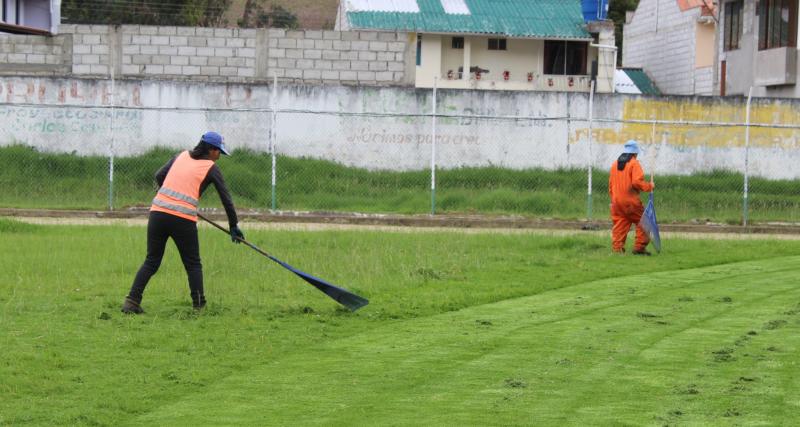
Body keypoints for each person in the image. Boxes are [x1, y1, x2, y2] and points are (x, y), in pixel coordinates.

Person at [121, 131, 244, 314]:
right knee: (193, 264)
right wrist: (233, 226)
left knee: (152, 260)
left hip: (158, 213)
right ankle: (199, 306)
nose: (219, 156)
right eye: (219, 152)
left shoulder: (181, 155)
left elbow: (159, 176)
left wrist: (174, 195)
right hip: (182, 219)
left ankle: (132, 301)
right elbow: (226, 199)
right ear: (210, 150)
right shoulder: (210, 167)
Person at [608, 140, 654, 255]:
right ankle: (639, 247)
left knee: (620, 224)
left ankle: (617, 250)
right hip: (631, 202)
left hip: (616, 202)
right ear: (635, 153)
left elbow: (610, 185)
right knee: (645, 221)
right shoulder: (634, 164)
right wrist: (649, 186)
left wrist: (614, 199)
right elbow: (637, 182)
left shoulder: (614, 164)